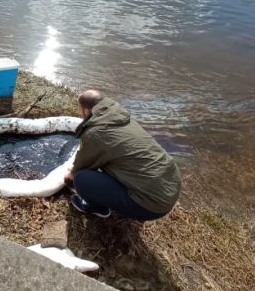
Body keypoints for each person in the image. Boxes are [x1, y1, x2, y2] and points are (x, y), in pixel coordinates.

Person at [65, 90, 181, 221]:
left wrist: (71, 174)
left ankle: (97, 208)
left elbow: (79, 167)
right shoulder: (120, 117)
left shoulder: (95, 133)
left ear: (85, 111)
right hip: (171, 185)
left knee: (81, 179)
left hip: (152, 206)